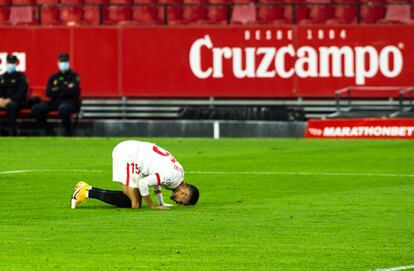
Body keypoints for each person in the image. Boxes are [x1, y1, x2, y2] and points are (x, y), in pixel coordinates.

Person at [71, 140, 199, 209]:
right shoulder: (171, 177)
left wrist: (161, 202)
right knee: (135, 204)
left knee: (131, 200)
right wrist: (152, 206)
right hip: (129, 154)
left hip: (132, 152)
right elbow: (144, 183)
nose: (179, 204)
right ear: (184, 193)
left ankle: (87, 190)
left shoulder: (179, 174)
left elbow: (156, 181)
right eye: (182, 202)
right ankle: (86, 191)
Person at [31, 53, 80, 136]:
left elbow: (74, 92)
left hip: (70, 102)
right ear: (58, 63)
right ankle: (48, 130)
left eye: (65, 61)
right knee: (36, 109)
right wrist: (65, 89)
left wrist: (57, 90)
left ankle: (68, 132)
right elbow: (48, 92)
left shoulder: (74, 76)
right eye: (61, 61)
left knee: (63, 108)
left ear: (68, 62)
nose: (63, 63)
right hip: (55, 101)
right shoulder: (53, 77)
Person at [0, 54, 29, 136]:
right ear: (6, 63)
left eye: (12, 63)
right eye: (9, 62)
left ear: (16, 64)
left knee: (11, 106)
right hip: (2, 101)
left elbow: (22, 92)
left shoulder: (20, 77)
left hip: (16, 102)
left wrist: (10, 99)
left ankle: (11, 130)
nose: (10, 64)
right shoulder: (2, 77)